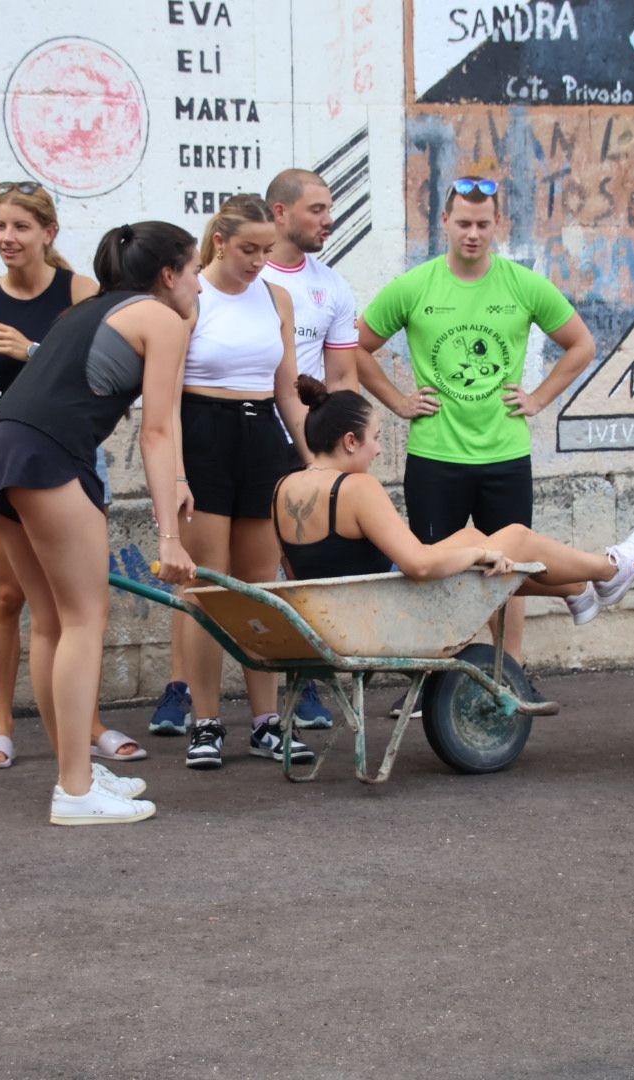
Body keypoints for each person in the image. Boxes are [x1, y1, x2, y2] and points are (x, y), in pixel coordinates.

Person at [0, 220, 197, 825]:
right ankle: (73, 790)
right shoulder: (162, 318)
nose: (198, 287)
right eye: (194, 272)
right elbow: (158, 430)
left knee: (51, 622)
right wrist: (169, 537)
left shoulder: (86, 311)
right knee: (83, 619)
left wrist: (177, 486)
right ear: (169, 275)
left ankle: (76, 769)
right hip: (45, 453)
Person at [355, 176, 598, 713]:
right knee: (437, 571)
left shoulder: (522, 284)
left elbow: (581, 344)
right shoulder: (416, 286)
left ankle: (507, 672)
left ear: (497, 225)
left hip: (504, 455)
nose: (472, 234)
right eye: (463, 223)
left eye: (482, 224)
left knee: (507, 571)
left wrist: (537, 398)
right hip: (435, 457)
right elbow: (359, 348)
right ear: (443, 222)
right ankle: (437, 681)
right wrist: (398, 403)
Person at [0, 181, 147, 769]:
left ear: (49, 233)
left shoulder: (81, 290)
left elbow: (83, 366)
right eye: (0, 227)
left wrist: (30, 349)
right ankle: (1, 726)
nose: (7, 238)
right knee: (9, 595)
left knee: (79, 605)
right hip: (5, 451)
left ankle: (85, 728)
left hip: (70, 451)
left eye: (20, 227)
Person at [276, 376, 634, 616]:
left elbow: (293, 572)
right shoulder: (356, 488)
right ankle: (609, 569)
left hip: (331, 616)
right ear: (349, 441)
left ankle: (579, 590)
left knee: (479, 541)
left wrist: (475, 549)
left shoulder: (283, 487)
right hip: (385, 611)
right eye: (375, 438)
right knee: (510, 540)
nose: (377, 450)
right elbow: (418, 565)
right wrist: (476, 554)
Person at [166, 193, 313, 771]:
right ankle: (206, 721)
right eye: (248, 249)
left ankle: (264, 722)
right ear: (220, 241)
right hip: (203, 435)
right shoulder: (191, 295)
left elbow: (287, 393)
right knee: (207, 590)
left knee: (259, 588)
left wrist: (313, 464)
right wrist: (175, 473)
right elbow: (166, 398)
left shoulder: (276, 296)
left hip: (262, 441)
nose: (258, 260)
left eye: (266, 250)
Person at [259, 166, 366, 731]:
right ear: (280, 212)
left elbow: (344, 375)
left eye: (329, 209)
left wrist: (339, 454)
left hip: (310, 451)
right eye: (317, 210)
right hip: (253, 439)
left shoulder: (332, 285)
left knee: (307, 573)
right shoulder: (245, 277)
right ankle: (185, 696)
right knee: (228, 574)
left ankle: (308, 686)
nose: (329, 219)